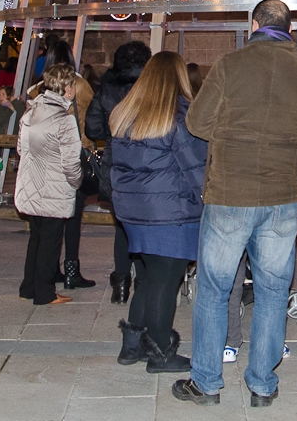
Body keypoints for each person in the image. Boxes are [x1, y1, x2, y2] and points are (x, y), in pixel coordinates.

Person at [173, 0, 297, 407]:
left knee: (213, 289)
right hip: (282, 197)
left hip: (230, 193)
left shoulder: (229, 66)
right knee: (273, 291)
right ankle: (262, 383)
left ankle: (206, 383)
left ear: (254, 24)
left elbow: (197, 123)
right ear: (289, 30)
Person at [108, 52, 208, 373]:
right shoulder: (179, 115)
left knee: (148, 278)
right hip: (169, 214)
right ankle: (161, 353)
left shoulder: (126, 113)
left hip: (133, 213)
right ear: (177, 77)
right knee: (166, 281)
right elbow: (196, 167)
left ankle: (132, 345)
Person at [85, 39, 153, 304]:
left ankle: (121, 284)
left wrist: (113, 135)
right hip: (149, 159)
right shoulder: (152, 89)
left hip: (116, 162)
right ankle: (145, 282)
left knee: (122, 227)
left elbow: (92, 130)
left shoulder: (106, 91)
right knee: (148, 225)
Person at [15, 63, 84, 306]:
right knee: (51, 241)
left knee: (36, 237)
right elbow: (71, 162)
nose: (75, 89)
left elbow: (20, 149)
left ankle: (29, 287)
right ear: (66, 89)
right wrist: (78, 183)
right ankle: (45, 292)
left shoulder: (30, 113)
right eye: (74, 85)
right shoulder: (64, 120)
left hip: (31, 185)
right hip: (53, 188)